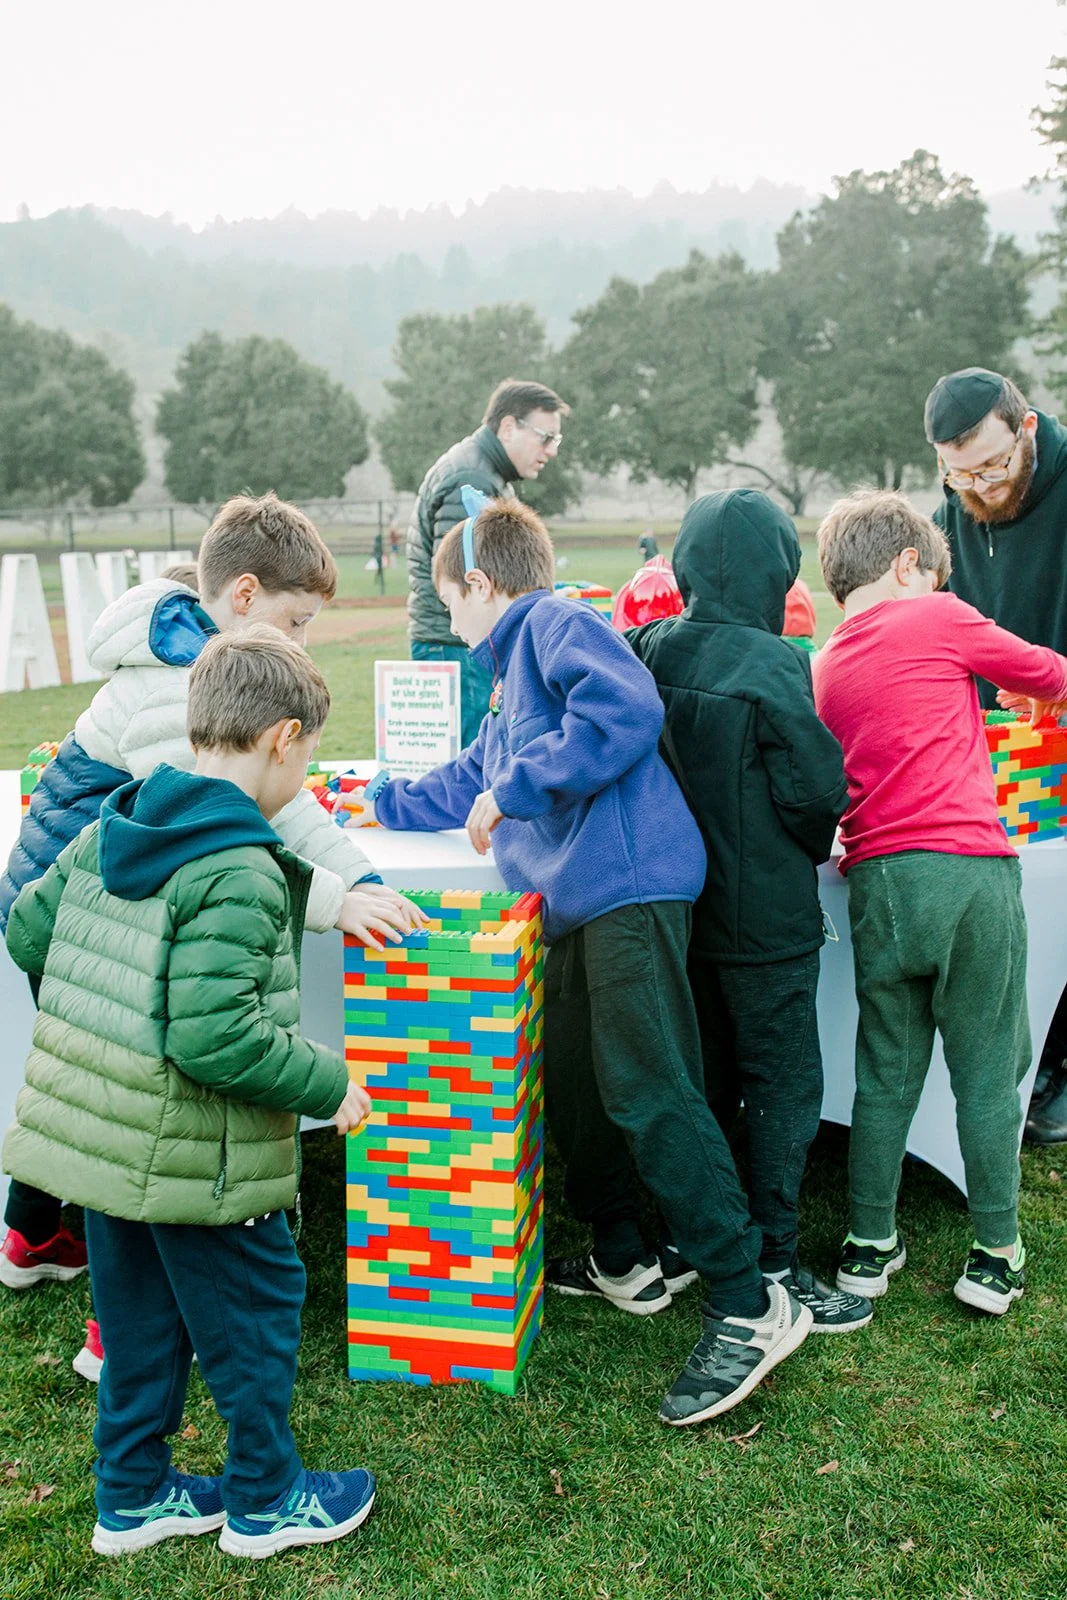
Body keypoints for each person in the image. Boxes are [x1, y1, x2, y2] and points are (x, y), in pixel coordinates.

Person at [353, 492, 813, 1427]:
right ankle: (623, 1254)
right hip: (572, 904)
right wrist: (375, 801)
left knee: (651, 1089)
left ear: (482, 584)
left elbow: (623, 709)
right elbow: (474, 773)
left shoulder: (552, 620)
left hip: (628, 888)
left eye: (450, 604)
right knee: (570, 1078)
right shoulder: (508, 676)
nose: (453, 624)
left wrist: (515, 788)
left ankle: (748, 1299)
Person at [0, 492, 420, 1379]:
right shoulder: (176, 686)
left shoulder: (203, 665)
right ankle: (118, 1335)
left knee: (96, 1093)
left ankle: (31, 1237)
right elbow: (218, 845)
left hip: (88, 908)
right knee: (136, 1117)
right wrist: (335, 898)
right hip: (96, 915)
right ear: (241, 596)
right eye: (294, 622)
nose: (298, 644)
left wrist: (360, 885)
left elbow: (282, 806)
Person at [3, 628, 378, 1559]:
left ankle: (129, 1496)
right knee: (255, 1306)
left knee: (138, 1319)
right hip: (202, 1155)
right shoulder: (239, 868)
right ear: (283, 739)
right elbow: (215, 1037)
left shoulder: (114, 822)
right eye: (309, 756)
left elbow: (29, 927)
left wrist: (116, 1023)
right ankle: (264, 1497)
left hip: (108, 1147)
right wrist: (328, 1083)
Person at [812, 490, 1067, 1315]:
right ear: (907, 565)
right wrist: (1037, 695)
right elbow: (1046, 672)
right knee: (989, 1071)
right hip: (966, 872)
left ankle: (866, 1242)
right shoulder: (937, 616)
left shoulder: (821, 665)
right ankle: (994, 1249)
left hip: (879, 886)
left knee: (882, 1076)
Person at [628, 489, 869, 1333]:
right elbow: (816, 791)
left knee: (706, 1078)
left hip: (679, 909)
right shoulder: (773, 663)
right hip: (764, 919)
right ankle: (771, 1254)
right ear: (778, 569)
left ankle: (697, 1235)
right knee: (782, 1088)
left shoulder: (651, 646)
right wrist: (801, 843)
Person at [926, 367, 1067, 1143]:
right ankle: (1026, 1049)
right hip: (995, 737)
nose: (978, 484)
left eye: (991, 466)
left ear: (1027, 430)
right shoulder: (957, 497)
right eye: (959, 472)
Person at [406, 378, 569, 746]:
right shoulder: (472, 477)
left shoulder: (485, 471)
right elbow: (460, 580)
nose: (552, 450)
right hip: (457, 645)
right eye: (546, 437)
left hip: (458, 643)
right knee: (474, 764)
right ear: (508, 427)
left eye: (556, 440)